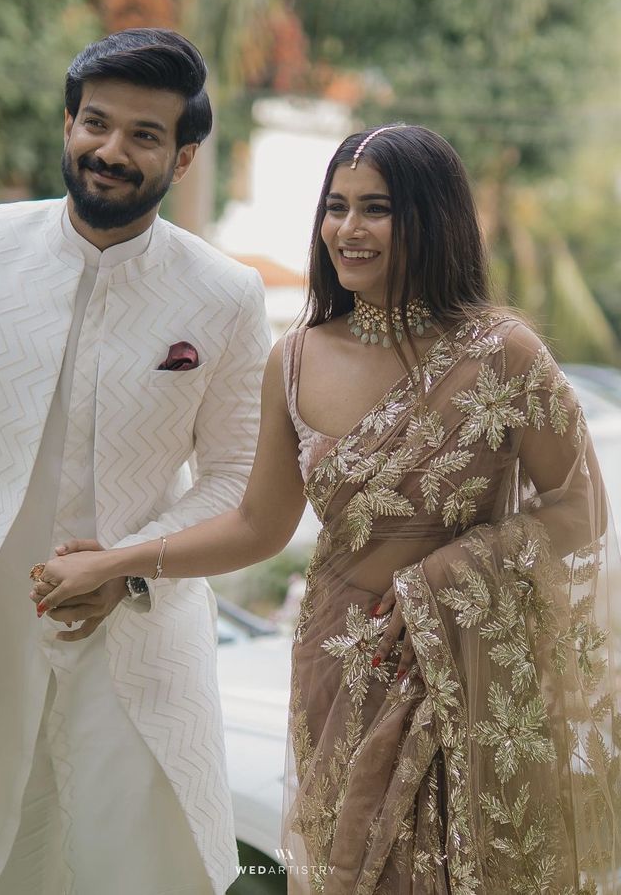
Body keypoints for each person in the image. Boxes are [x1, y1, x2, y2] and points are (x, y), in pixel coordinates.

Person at [34, 124, 621, 893]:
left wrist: (443, 578)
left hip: (469, 673)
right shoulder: (297, 356)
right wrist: (120, 560)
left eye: (375, 208)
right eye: (336, 207)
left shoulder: (503, 354)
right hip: (343, 668)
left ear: (431, 218)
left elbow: (581, 510)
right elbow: (257, 525)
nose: (348, 229)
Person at [0, 28, 271, 895]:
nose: (111, 150)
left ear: (182, 158)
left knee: (140, 867)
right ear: (67, 125)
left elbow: (235, 477)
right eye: (96, 123)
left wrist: (129, 568)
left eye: (144, 134)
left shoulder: (225, 293)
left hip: (144, 631)